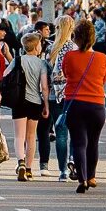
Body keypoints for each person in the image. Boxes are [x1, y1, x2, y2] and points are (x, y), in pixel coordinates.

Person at [62, 20, 106, 193]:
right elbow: (104, 80)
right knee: (93, 142)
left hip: (75, 104)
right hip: (97, 104)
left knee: (79, 143)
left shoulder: (69, 56)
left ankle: (82, 179)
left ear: (76, 38)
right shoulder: (102, 57)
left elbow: (67, 74)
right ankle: (92, 176)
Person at [10, 33, 50, 180]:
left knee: (19, 136)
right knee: (31, 136)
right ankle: (28, 169)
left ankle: (20, 162)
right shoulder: (42, 64)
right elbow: (44, 87)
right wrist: (46, 105)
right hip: (35, 102)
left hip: (19, 101)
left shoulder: (18, 60)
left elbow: (5, 74)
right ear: (36, 46)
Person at [42, 16, 76, 181]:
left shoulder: (51, 48)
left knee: (61, 134)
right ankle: (72, 160)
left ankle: (63, 171)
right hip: (71, 94)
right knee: (76, 132)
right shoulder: (74, 48)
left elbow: (46, 72)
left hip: (54, 95)